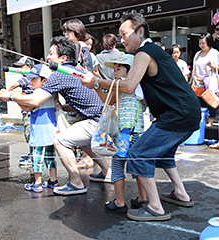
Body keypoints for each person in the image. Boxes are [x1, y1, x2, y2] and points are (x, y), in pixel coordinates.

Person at [82, 12, 200, 221]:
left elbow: (128, 86)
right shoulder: (150, 52)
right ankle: (181, 193)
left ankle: (155, 207)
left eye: (125, 34)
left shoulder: (145, 52)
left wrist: (98, 82)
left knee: (139, 153)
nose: (122, 39)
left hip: (177, 114)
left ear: (140, 32)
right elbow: (116, 95)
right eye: (120, 35)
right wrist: (97, 83)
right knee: (165, 154)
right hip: (184, 113)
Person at [0, 36, 110, 195]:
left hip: (96, 121)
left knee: (59, 141)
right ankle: (107, 171)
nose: (48, 57)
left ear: (63, 58)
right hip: (103, 118)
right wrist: (64, 106)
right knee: (82, 141)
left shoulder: (60, 74)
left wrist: (10, 96)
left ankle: (76, 183)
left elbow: (36, 100)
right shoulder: (75, 70)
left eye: (51, 53)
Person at [90, 53, 147, 212]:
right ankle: (142, 199)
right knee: (137, 167)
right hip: (138, 131)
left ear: (129, 71)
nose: (115, 73)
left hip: (122, 133)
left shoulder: (120, 85)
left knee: (117, 166)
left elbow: (107, 101)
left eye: (119, 69)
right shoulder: (139, 85)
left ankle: (120, 202)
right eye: (114, 69)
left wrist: (95, 85)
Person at [18, 64, 59, 193]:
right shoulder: (52, 93)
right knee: (50, 157)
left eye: (34, 79)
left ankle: (37, 183)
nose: (30, 82)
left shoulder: (37, 93)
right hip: (51, 130)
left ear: (44, 80)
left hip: (39, 132)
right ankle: (53, 180)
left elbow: (27, 108)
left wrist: (14, 99)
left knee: (37, 158)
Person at [7, 56, 35, 165]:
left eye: (21, 66)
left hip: (27, 110)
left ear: (29, 67)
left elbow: (13, 86)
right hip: (33, 109)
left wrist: (5, 92)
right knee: (32, 133)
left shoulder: (26, 77)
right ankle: (31, 154)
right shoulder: (34, 77)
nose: (19, 69)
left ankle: (32, 157)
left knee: (29, 134)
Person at [190, 33, 219, 127]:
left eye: (203, 43)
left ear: (209, 42)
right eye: (200, 43)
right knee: (199, 104)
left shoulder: (215, 53)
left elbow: (218, 68)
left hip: (209, 83)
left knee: (210, 103)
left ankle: (210, 122)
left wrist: (211, 65)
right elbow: (194, 69)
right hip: (197, 83)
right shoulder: (198, 54)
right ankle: (202, 122)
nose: (201, 45)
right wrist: (191, 81)